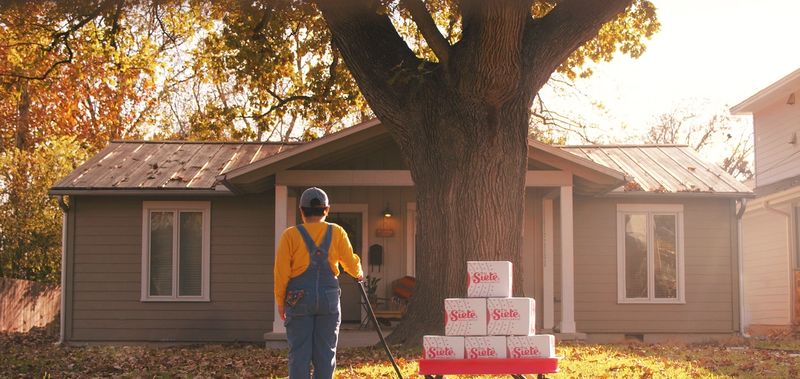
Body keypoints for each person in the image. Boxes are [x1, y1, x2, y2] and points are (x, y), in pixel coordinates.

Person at [274, 187, 364, 379]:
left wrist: (280, 302)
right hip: (328, 299)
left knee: (299, 353)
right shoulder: (337, 232)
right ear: (327, 210)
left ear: (301, 210)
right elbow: (349, 261)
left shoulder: (290, 235)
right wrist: (359, 273)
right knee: (326, 353)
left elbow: (281, 272)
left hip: (298, 300)